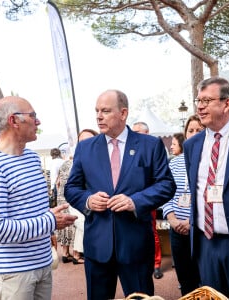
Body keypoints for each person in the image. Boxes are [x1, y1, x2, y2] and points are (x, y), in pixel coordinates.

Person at [65, 89, 176, 299]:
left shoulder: (150, 145)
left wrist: (135, 201)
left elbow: (166, 185)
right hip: (98, 247)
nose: (98, 116)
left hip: (136, 246)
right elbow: (71, 188)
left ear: (123, 113)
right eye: (97, 110)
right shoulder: (85, 148)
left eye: (105, 111)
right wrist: (88, 200)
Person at [0, 96, 77, 300]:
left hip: (42, 265)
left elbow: (30, 212)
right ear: (14, 121)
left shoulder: (31, 158)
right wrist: (49, 221)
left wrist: (49, 219)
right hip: (14, 274)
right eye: (33, 116)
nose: (37, 122)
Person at [184, 77, 229, 299]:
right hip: (205, 242)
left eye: (207, 100)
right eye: (198, 100)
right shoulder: (191, 145)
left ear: (226, 103)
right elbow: (195, 189)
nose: (200, 106)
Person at [163, 115, 203, 296]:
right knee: (185, 278)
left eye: (199, 130)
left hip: (201, 229)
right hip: (176, 228)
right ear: (185, 134)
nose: (194, 134)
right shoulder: (175, 162)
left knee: (205, 278)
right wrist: (172, 219)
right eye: (191, 130)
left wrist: (191, 221)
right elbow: (166, 193)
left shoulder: (209, 161)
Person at [56, 129, 98, 265]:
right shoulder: (74, 163)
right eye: (81, 142)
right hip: (80, 206)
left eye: (89, 140)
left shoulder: (105, 160)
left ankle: (76, 253)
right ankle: (77, 254)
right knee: (84, 228)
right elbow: (70, 187)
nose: (85, 144)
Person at [132, 121, 163, 280]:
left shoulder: (154, 148)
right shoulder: (129, 149)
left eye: (138, 131)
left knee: (152, 232)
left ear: (147, 132)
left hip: (147, 200)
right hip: (129, 202)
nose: (134, 133)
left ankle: (156, 264)